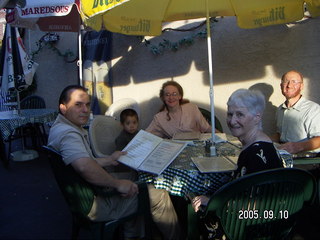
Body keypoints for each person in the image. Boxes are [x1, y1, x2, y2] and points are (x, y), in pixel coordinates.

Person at [47, 85, 180, 239]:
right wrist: (117, 184)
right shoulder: (68, 134)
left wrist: (109, 159)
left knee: (134, 177)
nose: (85, 110)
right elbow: (84, 166)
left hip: (87, 193)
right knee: (159, 194)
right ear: (63, 108)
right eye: (78, 105)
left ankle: (134, 234)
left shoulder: (60, 127)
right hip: (96, 203)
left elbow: (84, 161)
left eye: (87, 104)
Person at [191, 89, 283, 212]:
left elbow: (256, 206)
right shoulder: (259, 143)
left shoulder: (256, 154)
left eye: (240, 114)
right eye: (230, 114)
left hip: (250, 225)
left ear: (257, 118)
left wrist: (212, 201)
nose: (232, 121)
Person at [272, 70, 320, 154]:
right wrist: (261, 140)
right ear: (281, 86)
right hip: (284, 159)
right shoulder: (280, 109)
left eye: (294, 82)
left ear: (301, 86)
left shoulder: (313, 109)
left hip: (307, 163)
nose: (289, 85)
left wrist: (297, 147)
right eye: (286, 82)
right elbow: (280, 135)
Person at [146, 81, 212, 138]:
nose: (171, 97)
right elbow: (146, 135)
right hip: (175, 149)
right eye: (167, 94)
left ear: (180, 96)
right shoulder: (159, 118)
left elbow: (207, 128)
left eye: (174, 94)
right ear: (163, 98)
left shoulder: (192, 108)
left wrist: (221, 137)